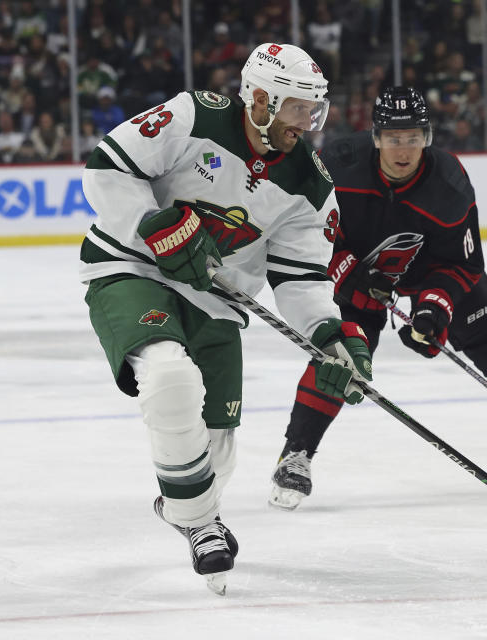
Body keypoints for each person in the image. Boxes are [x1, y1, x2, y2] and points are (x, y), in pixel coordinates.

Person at [79, 43, 373, 594]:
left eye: (313, 110)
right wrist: (153, 224)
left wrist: (329, 337)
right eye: (296, 109)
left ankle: (187, 505)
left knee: (217, 449)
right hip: (131, 267)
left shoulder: (311, 186)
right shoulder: (195, 116)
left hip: (216, 299)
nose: (307, 123)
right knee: (168, 377)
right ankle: (201, 522)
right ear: (259, 99)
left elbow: (303, 280)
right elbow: (107, 167)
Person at [268, 86, 487, 511]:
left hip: (429, 269)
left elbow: (462, 265)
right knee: (343, 354)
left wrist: (434, 310)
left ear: (427, 137)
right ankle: (296, 454)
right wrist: (345, 269)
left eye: (413, 137)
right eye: (394, 138)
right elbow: (305, 229)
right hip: (361, 273)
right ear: (375, 137)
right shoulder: (339, 166)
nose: (403, 148)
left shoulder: (449, 184)